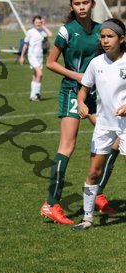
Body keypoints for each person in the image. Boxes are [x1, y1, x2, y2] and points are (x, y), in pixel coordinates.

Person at [40, 0, 118, 224]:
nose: (81, 7)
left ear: (92, 4)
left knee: (114, 140)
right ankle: (51, 204)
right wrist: (77, 76)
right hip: (72, 92)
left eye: (85, 2)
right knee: (67, 146)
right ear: (72, 7)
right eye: (77, 3)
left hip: (95, 94)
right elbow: (51, 63)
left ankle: (98, 194)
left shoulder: (101, 30)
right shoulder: (66, 31)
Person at [72, 19, 126, 230]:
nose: (105, 40)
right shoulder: (96, 63)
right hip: (103, 126)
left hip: (125, 125)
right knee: (94, 172)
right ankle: (87, 219)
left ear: (122, 39)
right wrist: (81, 104)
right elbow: (83, 91)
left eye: (110, 36)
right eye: (102, 36)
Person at [19, 16, 52, 101]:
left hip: (39, 56)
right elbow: (25, 45)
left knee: (35, 76)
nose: (38, 24)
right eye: (36, 22)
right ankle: (37, 94)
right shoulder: (30, 32)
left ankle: (33, 96)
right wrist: (22, 56)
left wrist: (43, 25)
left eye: (39, 22)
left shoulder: (42, 32)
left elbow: (50, 35)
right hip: (32, 55)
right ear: (33, 23)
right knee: (40, 74)